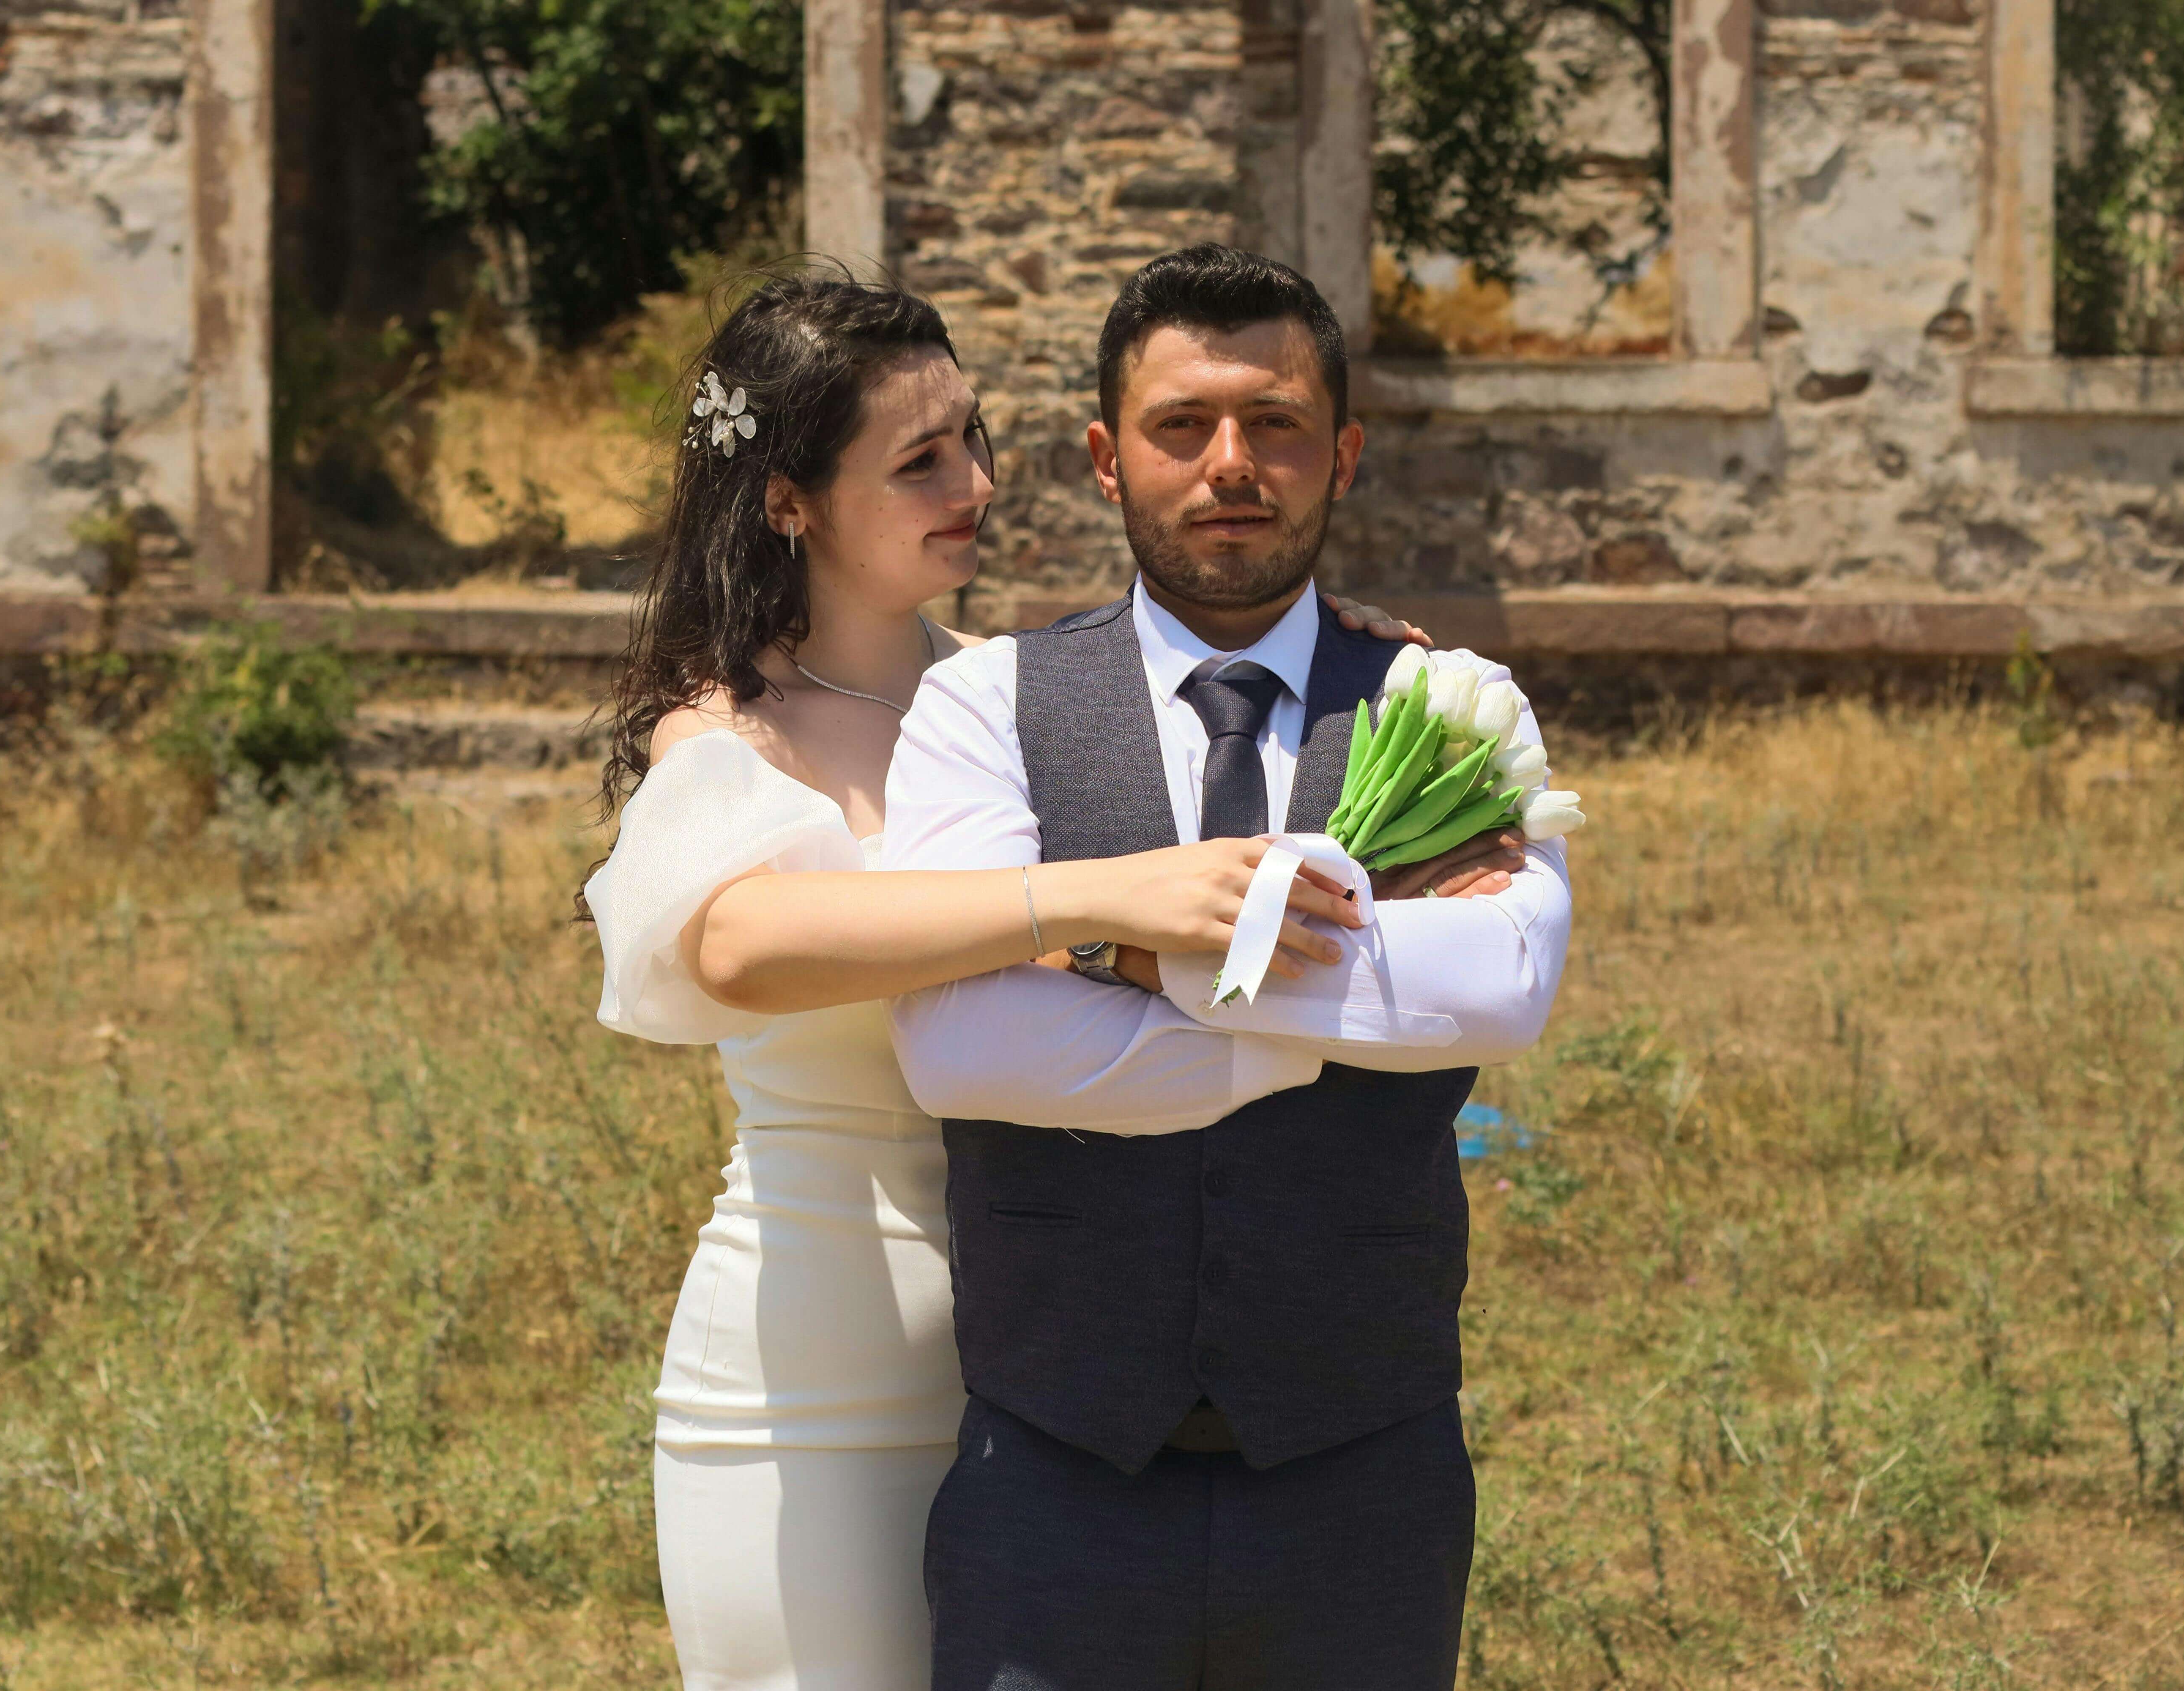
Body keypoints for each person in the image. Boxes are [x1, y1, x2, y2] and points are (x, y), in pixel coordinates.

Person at [582, 270, 1516, 1691]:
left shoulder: (999, 696)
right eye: (920, 461)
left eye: (974, 437)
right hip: (817, 1358)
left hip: (1037, 1355)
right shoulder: (725, 722)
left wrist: (1331, 660)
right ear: (791, 500)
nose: (976, 482)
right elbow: (737, 946)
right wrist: (1090, 903)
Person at [880, 244, 1575, 1690]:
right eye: (1181, 426)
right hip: (1054, 1464)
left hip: (1362, 1464)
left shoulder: (1452, 702)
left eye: (1277, 425)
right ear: (1103, 458)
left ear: (1345, 453)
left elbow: (1502, 988)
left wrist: (1126, 957)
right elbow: (956, 1049)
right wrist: (1364, 944)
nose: (1231, 465)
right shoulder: (982, 704)